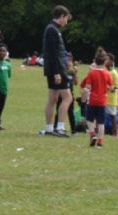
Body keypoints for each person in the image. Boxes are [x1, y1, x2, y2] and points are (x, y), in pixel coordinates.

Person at [42, 5, 72, 137]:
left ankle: (49, 129)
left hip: (55, 69)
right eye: (66, 19)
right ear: (62, 16)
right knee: (68, 97)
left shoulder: (52, 29)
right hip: (57, 69)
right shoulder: (52, 30)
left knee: (53, 98)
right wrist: (56, 72)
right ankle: (59, 127)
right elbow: (53, 53)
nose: (67, 22)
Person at [79, 48, 113, 148]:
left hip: (92, 101)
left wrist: (83, 97)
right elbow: (111, 88)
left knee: (89, 119)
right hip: (102, 102)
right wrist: (108, 88)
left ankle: (92, 134)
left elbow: (88, 87)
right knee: (101, 123)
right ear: (105, 61)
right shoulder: (107, 74)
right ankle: (100, 143)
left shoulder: (91, 73)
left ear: (95, 60)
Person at [54, 52, 78, 134]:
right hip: (61, 94)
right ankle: (55, 127)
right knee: (59, 111)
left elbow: (76, 83)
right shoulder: (62, 70)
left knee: (71, 112)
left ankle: (73, 130)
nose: (69, 61)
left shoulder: (72, 71)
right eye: (67, 59)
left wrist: (75, 74)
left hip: (70, 94)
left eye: (70, 59)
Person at [105, 52, 118, 136]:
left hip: (111, 99)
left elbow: (117, 86)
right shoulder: (103, 71)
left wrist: (111, 89)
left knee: (112, 116)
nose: (105, 60)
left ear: (111, 61)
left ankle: (114, 133)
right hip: (102, 98)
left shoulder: (114, 73)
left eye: (107, 59)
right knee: (100, 115)